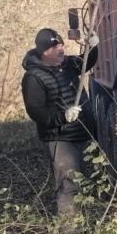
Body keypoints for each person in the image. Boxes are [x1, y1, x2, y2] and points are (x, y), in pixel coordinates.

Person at [21, 28, 99, 219]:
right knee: (68, 185)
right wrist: (63, 116)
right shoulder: (34, 78)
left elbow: (86, 62)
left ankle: (84, 223)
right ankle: (69, 229)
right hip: (60, 139)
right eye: (55, 46)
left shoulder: (68, 64)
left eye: (62, 45)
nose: (61, 49)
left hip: (81, 134)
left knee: (84, 182)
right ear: (44, 51)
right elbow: (36, 111)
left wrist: (93, 47)